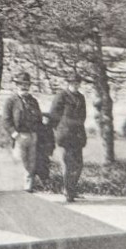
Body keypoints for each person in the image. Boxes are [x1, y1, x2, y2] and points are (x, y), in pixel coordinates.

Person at [50, 72, 87, 203]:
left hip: (77, 135)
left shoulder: (81, 97)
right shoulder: (61, 96)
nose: (75, 85)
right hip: (65, 135)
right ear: (68, 83)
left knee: (79, 165)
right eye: (73, 83)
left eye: (77, 83)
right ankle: (67, 191)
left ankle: (72, 188)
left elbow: (83, 116)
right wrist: (60, 129)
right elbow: (53, 115)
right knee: (67, 164)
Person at [3, 71, 44, 192]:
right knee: (19, 163)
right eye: (22, 84)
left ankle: (28, 190)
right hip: (19, 136)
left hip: (32, 136)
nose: (24, 87)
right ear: (17, 85)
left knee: (31, 165)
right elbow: (5, 120)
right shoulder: (11, 101)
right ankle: (16, 190)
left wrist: (37, 132)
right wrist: (14, 133)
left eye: (27, 84)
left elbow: (38, 118)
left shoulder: (33, 101)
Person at [34, 112, 56, 190]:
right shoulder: (38, 127)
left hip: (44, 152)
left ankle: (45, 184)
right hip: (38, 151)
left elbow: (52, 141)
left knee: (44, 167)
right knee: (37, 167)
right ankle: (39, 184)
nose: (46, 120)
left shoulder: (49, 129)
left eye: (47, 119)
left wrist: (51, 150)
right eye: (44, 118)